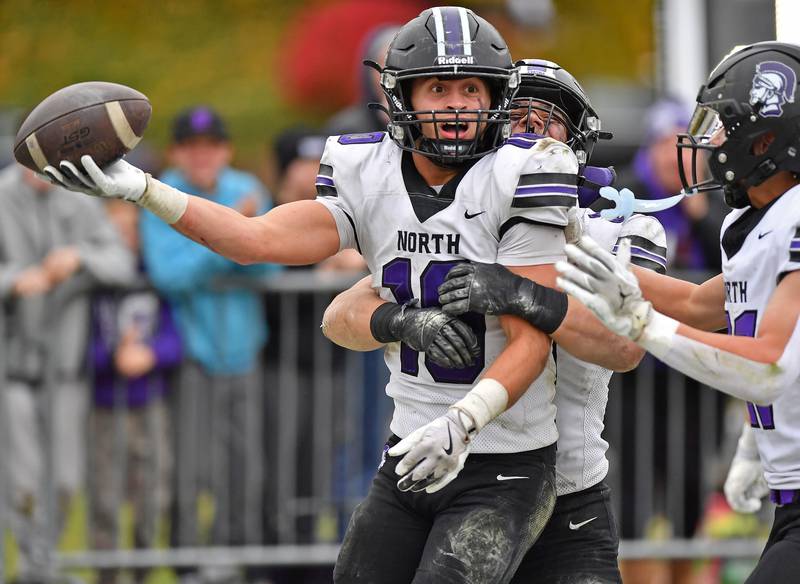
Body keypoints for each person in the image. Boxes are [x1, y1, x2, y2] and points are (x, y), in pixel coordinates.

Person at [42, 7, 632, 582]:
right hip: (408, 452)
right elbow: (255, 240)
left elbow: (531, 343)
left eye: (472, 89)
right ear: (402, 95)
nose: (457, 105)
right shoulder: (366, 169)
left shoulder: (525, 173)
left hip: (505, 463)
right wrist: (144, 189)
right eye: (439, 89)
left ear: (494, 96)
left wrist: (462, 421)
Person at [320, 59, 667, 584]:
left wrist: (524, 293)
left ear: (577, 139)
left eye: (548, 119)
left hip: (568, 498)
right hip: (460, 475)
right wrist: (404, 321)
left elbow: (624, 348)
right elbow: (342, 313)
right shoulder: (470, 219)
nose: (531, 129)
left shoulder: (620, 233)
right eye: (519, 114)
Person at [555, 41, 800, 582]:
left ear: (767, 139)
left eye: (724, 128)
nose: (709, 143)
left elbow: (769, 365)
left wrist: (643, 325)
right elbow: (697, 303)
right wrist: (583, 251)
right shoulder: (764, 223)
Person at [139, 106, 281, 554]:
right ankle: (187, 561)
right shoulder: (162, 196)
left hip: (245, 350)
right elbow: (168, 274)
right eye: (191, 147)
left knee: (245, 466)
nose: (203, 156)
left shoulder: (248, 188)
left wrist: (217, 242)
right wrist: (232, 235)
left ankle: (236, 556)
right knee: (188, 466)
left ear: (227, 150)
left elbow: (272, 267)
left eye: (212, 146)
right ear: (176, 152)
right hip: (191, 352)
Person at [0, 164, 136, 578]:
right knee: (22, 484)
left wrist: (79, 258)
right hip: (13, 371)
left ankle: (36, 566)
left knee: (63, 482)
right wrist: (14, 280)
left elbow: (122, 262)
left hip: (65, 370)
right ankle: (36, 567)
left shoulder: (79, 199)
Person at [89, 199, 181, 584]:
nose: (126, 239)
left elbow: (176, 341)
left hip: (151, 402)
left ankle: (143, 572)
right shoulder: (93, 286)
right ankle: (107, 575)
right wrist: (114, 355)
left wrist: (150, 353)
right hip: (106, 407)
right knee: (105, 497)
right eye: (116, 232)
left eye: (131, 231)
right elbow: (83, 348)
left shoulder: (154, 280)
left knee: (152, 497)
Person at [614, 98, 726, 270]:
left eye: (686, 146)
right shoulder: (623, 197)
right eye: (667, 146)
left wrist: (700, 214)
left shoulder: (720, 198)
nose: (676, 158)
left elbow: (730, 267)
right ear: (649, 153)